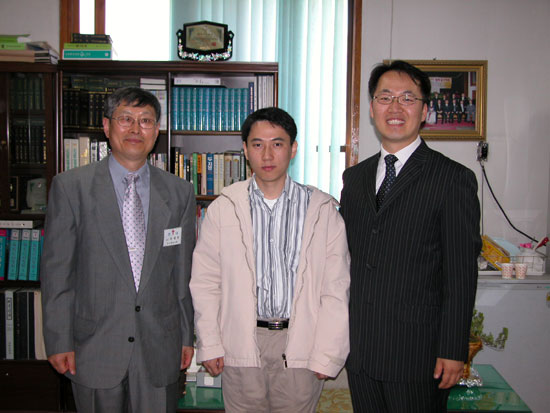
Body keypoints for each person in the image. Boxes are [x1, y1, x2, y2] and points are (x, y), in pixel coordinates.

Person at [41, 87, 196, 413]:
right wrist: (58, 340)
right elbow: (57, 274)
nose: (136, 129)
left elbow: (182, 275)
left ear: (156, 130)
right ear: (106, 126)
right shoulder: (71, 188)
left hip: (160, 345)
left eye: (146, 121)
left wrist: (186, 336)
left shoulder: (179, 192)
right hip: (93, 345)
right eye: (126, 119)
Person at [340, 60, 481, 413]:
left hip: (418, 355)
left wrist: (453, 349)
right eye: (385, 97)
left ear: (425, 111)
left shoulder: (452, 179)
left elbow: (461, 275)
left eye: (407, 98)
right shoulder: (354, 179)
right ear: (371, 108)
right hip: (361, 351)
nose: (395, 107)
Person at [190, 107, 350, 413]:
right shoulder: (224, 208)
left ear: (293, 149)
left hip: (301, 343)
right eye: (257, 144)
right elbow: (206, 282)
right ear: (245, 150)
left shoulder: (321, 210)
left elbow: (336, 287)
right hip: (240, 342)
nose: (267, 155)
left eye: (277, 144)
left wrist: (328, 353)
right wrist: (209, 343)